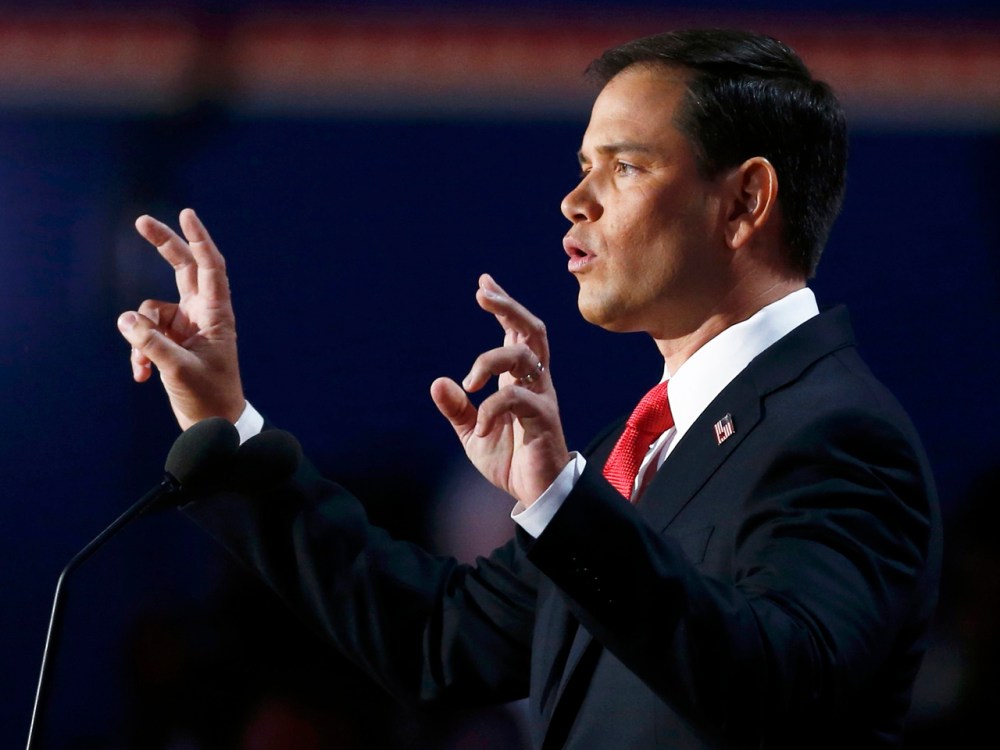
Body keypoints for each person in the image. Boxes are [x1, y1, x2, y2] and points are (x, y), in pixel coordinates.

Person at [116, 28, 941, 749]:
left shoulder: (834, 433)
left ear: (745, 202)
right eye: (584, 166)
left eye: (624, 167)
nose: (575, 201)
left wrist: (559, 503)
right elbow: (439, 640)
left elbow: (780, 693)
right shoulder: (649, 442)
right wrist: (229, 429)